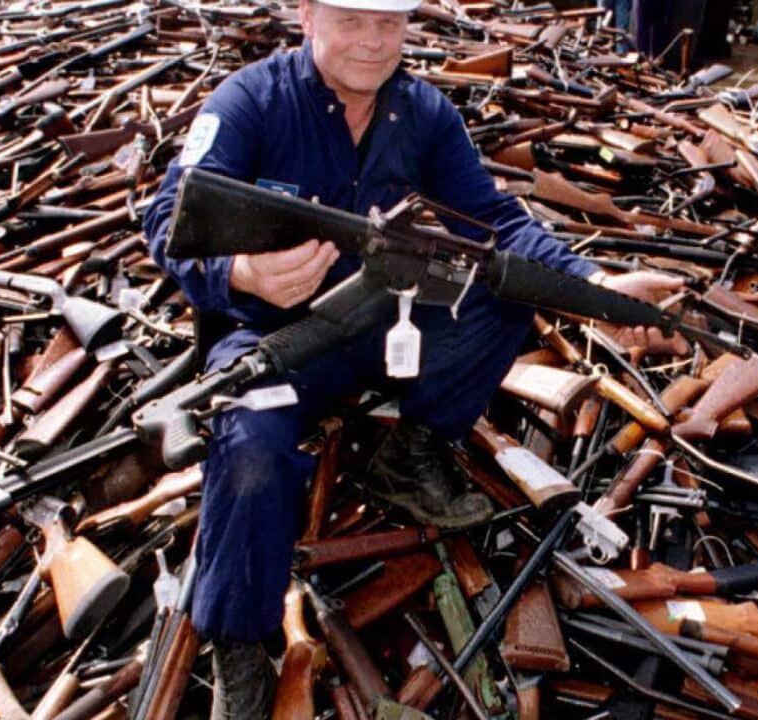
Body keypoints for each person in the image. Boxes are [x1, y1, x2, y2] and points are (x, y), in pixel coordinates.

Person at [142, 0, 682, 715]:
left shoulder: (421, 112)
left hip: (377, 317)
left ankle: (413, 451)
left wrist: (596, 284)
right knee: (250, 454)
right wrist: (242, 274)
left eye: (389, 24)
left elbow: (496, 224)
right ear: (307, 16)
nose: (372, 42)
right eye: (351, 20)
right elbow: (166, 219)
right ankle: (239, 646)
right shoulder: (249, 103)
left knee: (505, 293)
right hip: (271, 338)